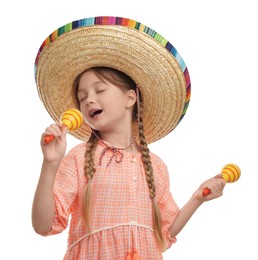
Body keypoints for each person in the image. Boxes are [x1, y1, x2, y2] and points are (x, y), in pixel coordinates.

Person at [32, 16, 226, 260]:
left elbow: (163, 235)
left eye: (99, 90)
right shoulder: (79, 157)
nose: (89, 100)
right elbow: (43, 225)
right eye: (82, 97)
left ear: (130, 98)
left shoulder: (155, 165)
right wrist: (50, 164)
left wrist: (198, 197)